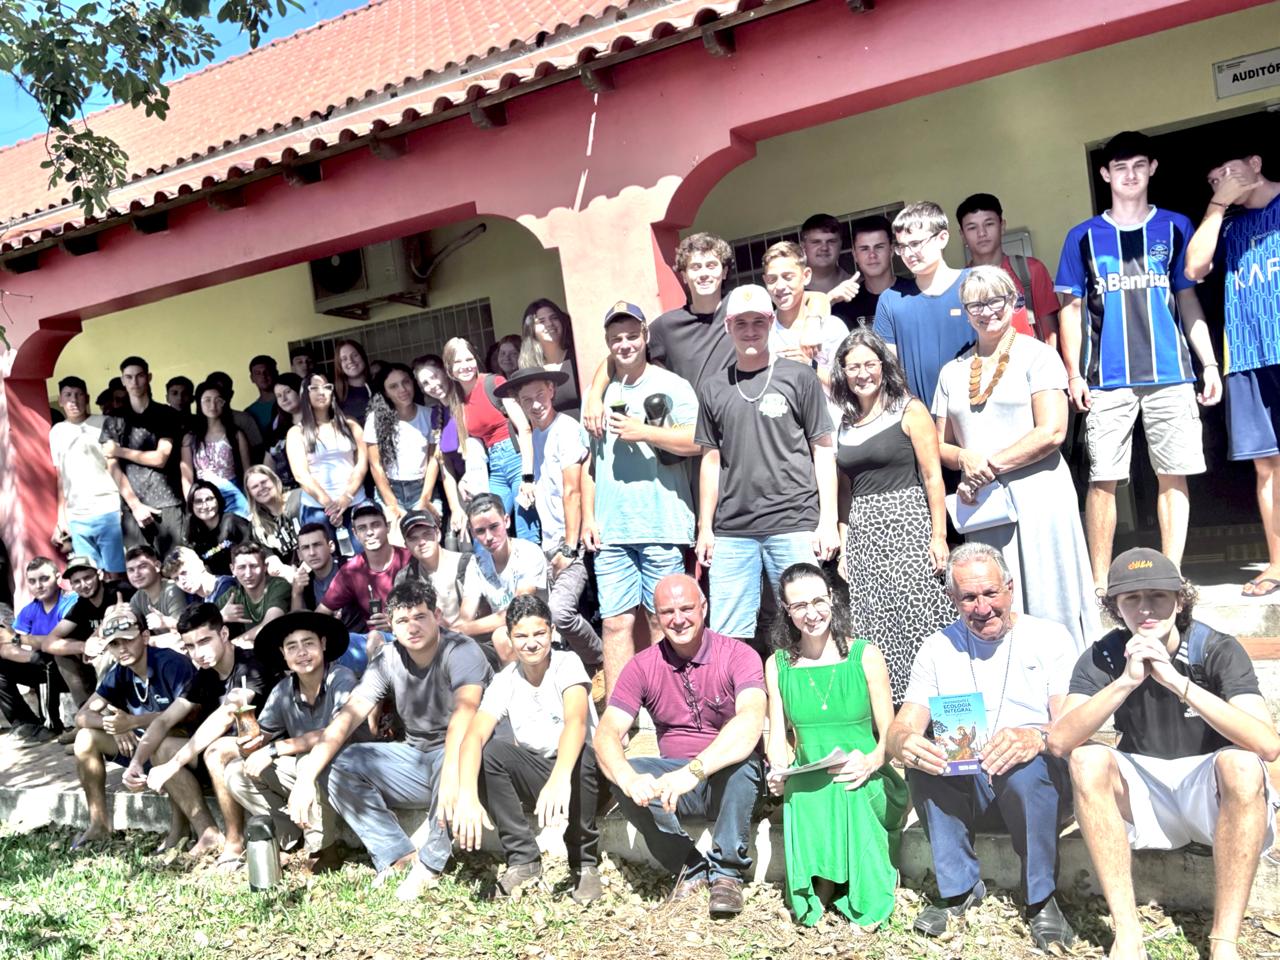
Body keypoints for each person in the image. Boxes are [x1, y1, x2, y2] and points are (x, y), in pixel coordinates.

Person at [1049, 549, 1280, 960]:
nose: (1145, 609)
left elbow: (1267, 744)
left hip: (1211, 793)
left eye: (1157, 595)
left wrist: (1179, 683)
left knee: (1243, 764)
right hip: (1146, 793)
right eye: (1132, 599)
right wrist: (1124, 682)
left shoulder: (1216, 649)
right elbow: (1060, 741)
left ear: (1180, 600)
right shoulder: (1106, 654)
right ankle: (1128, 934)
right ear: (1116, 607)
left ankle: (1224, 941)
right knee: (1086, 760)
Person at [886, 543, 1076, 951]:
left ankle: (1041, 899)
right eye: (969, 598)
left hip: (1037, 786)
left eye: (991, 593)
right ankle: (958, 889)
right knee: (927, 762)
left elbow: (1071, 724)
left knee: (1025, 767)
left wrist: (1036, 738)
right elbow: (901, 726)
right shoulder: (937, 648)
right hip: (973, 784)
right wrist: (906, 744)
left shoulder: (1049, 637)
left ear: (1010, 588)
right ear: (952, 599)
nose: (982, 607)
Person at [1056, 130, 1222, 586]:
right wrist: (1074, 374)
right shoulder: (1083, 237)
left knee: (1174, 474)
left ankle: (1171, 578)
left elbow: (1187, 298)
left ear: (1152, 168)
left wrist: (1208, 364)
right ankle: (1098, 584)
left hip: (1172, 374)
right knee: (1103, 479)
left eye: (1138, 166)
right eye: (1120, 167)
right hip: (1106, 379)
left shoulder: (1175, 226)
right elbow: (1070, 309)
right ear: (1105, 174)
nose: (1130, 175)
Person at [287, 579, 492, 900]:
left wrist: (452, 775)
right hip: (417, 758)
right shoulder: (388, 658)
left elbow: (464, 715)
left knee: (449, 758)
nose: (412, 627)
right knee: (339, 764)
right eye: (402, 620)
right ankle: (397, 856)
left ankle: (431, 865)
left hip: (466, 756)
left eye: (420, 617)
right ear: (391, 626)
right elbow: (347, 718)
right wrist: (305, 778)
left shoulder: (461, 650)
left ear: (437, 616)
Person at [933, 265, 1100, 652]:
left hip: (1039, 497)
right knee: (993, 597)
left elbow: (1052, 431)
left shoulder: (1038, 356)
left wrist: (988, 466)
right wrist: (965, 459)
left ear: (1014, 301)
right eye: (976, 304)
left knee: (1050, 594)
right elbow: (940, 445)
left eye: (996, 300)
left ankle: (1068, 675)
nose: (987, 311)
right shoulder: (952, 372)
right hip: (985, 507)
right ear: (965, 311)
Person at [594, 574, 765, 916]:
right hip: (675, 789)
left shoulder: (739, 655)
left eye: (686, 608)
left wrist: (693, 771)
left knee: (745, 764)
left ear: (704, 607)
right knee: (623, 771)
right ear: (656, 617)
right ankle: (689, 866)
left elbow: (750, 723)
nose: (678, 619)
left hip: (727, 783)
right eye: (667, 612)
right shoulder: (642, 666)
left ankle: (727, 875)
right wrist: (628, 779)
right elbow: (606, 732)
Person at [694, 284, 838, 647]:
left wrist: (828, 521)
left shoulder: (799, 376)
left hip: (794, 523)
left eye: (758, 321)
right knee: (728, 637)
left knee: (808, 625)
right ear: (728, 326)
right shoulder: (713, 388)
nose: (750, 331)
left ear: (771, 322)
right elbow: (710, 460)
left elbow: (823, 449)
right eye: (741, 323)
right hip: (732, 531)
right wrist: (705, 527)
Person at [764, 563, 906, 927]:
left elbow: (890, 736)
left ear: (832, 599)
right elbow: (777, 737)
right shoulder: (778, 664)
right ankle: (821, 883)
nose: (811, 614)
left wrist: (870, 762)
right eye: (799, 606)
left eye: (818, 601)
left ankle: (865, 889)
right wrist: (778, 771)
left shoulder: (865, 655)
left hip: (866, 770)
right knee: (799, 790)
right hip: (810, 773)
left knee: (849, 785)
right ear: (787, 610)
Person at [582, 302, 700, 697]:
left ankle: (668, 707)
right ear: (607, 344)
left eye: (632, 336)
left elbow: (698, 441)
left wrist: (645, 432)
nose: (625, 344)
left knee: (660, 620)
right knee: (615, 623)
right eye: (616, 338)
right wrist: (588, 518)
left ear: (646, 336)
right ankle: (622, 714)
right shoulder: (598, 395)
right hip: (612, 528)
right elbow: (589, 464)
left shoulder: (672, 385)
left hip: (662, 522)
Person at [831, 327, 954, 704]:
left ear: (884, 365)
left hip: (908, 524)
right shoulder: (845, 422)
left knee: (922, 617)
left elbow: (933, 476)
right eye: (853, 367)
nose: (863, 374)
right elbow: (845, 491)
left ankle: (945, 718)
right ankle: (894, 719)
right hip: (864, 535)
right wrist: (845, 548)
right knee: (876, 625)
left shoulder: (910, 409)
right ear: (843, 373)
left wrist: (939, 536)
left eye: (869, 364)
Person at [455, 595, 602, 903]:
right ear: (509, 639)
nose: (531, 643)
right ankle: (523, 860)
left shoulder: (567, 663)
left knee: (584, 756)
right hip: (541, 775)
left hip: (583, 775)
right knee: (489, 753)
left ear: (552, 632)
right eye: (521, 636)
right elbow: (473, 736)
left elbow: (576, 723)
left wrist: (560, 778)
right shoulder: (506, 679)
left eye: (539, 633)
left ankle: (585, 863)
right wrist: (466, 794)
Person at [1184, 140, 1280, 597]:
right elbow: (1194, 266)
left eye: (1227, 171)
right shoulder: (1226, 224)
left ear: (1255, 163)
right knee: (1268, 466)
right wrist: (1218, 204)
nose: (1219, 181)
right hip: (1247, 354)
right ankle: (1278, 563)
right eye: (1212, 179)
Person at [224, 610, 367, 873]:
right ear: (283, 654)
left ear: (323, 645)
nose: (301, 652)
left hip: (350, 771)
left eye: (308, 643)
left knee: (307, 760)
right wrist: (251, 743)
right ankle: (289, 836)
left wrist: (277, 748)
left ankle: (323, 848)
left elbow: (337, 732)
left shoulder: (341, 678)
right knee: (237, 772)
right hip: (309, 776)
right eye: (292, 647)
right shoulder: (283, 690)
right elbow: (264, 735)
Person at [136, 602, 277, 865]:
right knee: (162, 747)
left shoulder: (251, 664)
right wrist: (136, 762)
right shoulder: (205, 675)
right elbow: (165, 720)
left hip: (264, 748)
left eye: (204, 641)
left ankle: (235, 842)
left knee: (215, 751)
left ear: (224, 634)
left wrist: (174, 764)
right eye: (190, 646)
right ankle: (208, 833)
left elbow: (227, 713)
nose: (198, 653)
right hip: (227, 754)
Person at [69, 603, 203, 852]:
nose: (122, 649)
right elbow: (82, 716)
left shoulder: (170, 663)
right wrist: (115, 726)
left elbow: (189, 715)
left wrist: (133, 722)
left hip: (187, 749)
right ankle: (99, 824)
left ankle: (180, 827)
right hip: (144, 747)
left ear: (145, 637)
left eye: (128, 640)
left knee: (164, 738)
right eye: (114, 644)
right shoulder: (119, 671)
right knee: (85, 738)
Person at [498, 367, 602, 670]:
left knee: (559, 612)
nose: (535, 404)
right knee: (568, 615)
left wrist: (569, 548)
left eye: (540, 395)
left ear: (552, 391)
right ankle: (586, 673)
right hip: (551, 541)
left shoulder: (565, 428)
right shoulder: (536, 435)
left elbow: (573, 490)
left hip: (573, 543)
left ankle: (601, 661)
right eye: (526, 399)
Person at [582, 232, 734, 436]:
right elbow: (619, 355)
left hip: (742, 425)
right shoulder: (667, 326)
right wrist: (594, 397)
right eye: (695, 267)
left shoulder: (742, 312)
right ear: (684, 275)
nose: (704, 273)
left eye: (711, 265)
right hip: (698, 434)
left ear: (724, 272)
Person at [873, 203, 975, 407]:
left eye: (916, 243)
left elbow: (999, 348)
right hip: (919, 415)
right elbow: (888, 368)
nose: (908, 253)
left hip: (976, 408)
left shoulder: (975, 284)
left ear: (942, 238)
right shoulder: (891, 299)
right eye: (902, 246)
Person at [442, 337, 537, 543]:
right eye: (458, 362)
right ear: (449, 369)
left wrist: (528, 476)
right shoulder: (457, 401)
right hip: (494, 464)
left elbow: (524, 428)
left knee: (526, 528)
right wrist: (466, 479)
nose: (465, 366)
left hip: (516, 457)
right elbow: (472, 446)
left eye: (469, 359)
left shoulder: (494, 382)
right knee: (486, 526)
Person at [101, 356, 186, 558]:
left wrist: (119, 451)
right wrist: (135, 505)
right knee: (140, 567)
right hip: (133, 507)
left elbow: (160, 458)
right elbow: (112, 466)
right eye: (129, 377)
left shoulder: (166, 414)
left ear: (148, 377)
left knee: (176, 564)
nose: (134, 382)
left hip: (167, 501)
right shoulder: (113, 420)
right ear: (123, 380)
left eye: (139, 376)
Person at [957, 193, 1061, 348]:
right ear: (962, 235)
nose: (982, 233)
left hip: (1029, 360)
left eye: (989, 224)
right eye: (972, 227)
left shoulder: (1031, 270)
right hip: (981, 362)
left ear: (1002, 226)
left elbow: (1050, 333)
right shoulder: (959, 283)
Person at [28, 554, 132, 708]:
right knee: (61, 655)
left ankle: (105, 708)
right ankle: (85, 708)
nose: (83, 585)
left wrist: (102, 630)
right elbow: (48, 643)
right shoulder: (80, 606)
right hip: (96, 659)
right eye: (76, 581)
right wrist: (84, 646)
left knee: (107, 653)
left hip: (126, 652)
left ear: (99, 575)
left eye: (87, 578)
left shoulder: (119, 590)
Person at [455, 494, 547, 663]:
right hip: (500, 636)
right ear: (472, 532)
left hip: (535, 629)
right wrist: (457, 630)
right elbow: (465, 616)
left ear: (507, 521)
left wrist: (461, 629)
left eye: (494, 527)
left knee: (500, 636)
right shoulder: (476, 563)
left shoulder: (528, 552)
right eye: (480, 531)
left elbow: (518, 612)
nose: (489, 537)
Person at [50, 375, 125, 577]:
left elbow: (115, 465)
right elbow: (60, 476)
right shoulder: (56, 432)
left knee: (116, 572)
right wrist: (61, 517)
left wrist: (123, 503)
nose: (73, 400)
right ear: (60, 400)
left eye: (78, 394)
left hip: (107, 508)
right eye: (68, 395)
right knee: (89, 575)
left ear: (87, 398)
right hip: (77, 515)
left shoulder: (103, 422)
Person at [286, 371, 369, 544]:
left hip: (355, 502)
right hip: (317, 508)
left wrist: (347, 497)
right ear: (305, 393)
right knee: (323, 557)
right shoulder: (296, 432)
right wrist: (329, 505)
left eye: (327, 387)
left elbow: (361, 464)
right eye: (314, 388)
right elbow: (301, 475)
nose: (322, 392)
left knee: (362, 555)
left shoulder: (350, 424)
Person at [0, 557, 76, 743]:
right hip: (45, 667)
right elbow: (6, 647)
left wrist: (19, 639)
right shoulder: (29, 610)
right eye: (32, 581)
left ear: (58, 577)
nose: (38, 586)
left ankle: (51, 725)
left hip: (72, 668)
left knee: (48, 658)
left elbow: (56, 642)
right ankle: (25, 723)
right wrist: (32, 657)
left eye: (44, 579)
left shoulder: (72, 601)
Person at [762, 240, 850, 391]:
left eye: (788, 277)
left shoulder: (831, 327)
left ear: (806, 276)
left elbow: (851, 386)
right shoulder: (763, 333)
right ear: (765, 281)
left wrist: (811, 366)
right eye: (772, 279)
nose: (780, 286)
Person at [316, 502, 409, 644]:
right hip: (376, 643)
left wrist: (395, 623)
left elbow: (432, 606)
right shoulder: (351, 570)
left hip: (412, 632)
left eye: (375, 525)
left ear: (387, 527)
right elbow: (321, 612)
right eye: (362, 528)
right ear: (355, 534)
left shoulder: (409, 559)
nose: (370, 532)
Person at [364, 362, 434, 524]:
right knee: (394, 537)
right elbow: (375, 465)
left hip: (423, 488)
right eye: (393, 386)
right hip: (389, 490)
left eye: (406, 382)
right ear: (385, 392)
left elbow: (434, 460)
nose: (402, 389)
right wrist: (392, 504)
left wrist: (425, 498)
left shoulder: (429, 415)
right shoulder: (374, 419)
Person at [415, 354, 470, 539]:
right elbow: (445, 466)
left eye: (434, 376)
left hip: (480, 482)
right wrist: (455, 508)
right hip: (459, 491)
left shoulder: (466, 403)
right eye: (425, 383)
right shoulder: (436, 414)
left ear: (446, 373)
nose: (432, 385)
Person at [179, 380, 252, 517]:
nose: (213, 405)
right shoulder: (190, 438)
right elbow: (187, 477)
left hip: (234, 497)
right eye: (207, 400)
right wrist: (192, 504)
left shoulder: (236, 435)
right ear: (199, 402)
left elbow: (248, 471)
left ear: (225, 403)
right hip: (204, 499)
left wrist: (252, 501)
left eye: (218, 400)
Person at [840, 215, 917, 330]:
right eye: (864, 249)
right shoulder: (846, 305)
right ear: (855, 255)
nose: (872, 255)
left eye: (879, 247)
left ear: (891, 250)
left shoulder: (915, 293)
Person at [394, 509, 466, 628]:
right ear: (406, 545)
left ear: (438, 534)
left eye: (427, 534)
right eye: (413, 538)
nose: (421, 542)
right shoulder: (404, 577)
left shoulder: (465, 564)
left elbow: (471, 617)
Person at [218, 542, 291, 645]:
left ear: (265, 567)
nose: (248, 574)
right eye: (242, 567)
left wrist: (231, 645)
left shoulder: (279, 585)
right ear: (232, 569)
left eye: (254, 566)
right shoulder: (234, 594)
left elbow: (269, 625)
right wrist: (221, 616)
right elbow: (201, 623)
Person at [518, 299, 581, 417]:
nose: (549, 324)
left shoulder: (578, 357)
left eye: (554, 318)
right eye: (541, 321)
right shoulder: (531, 368)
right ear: (531, 330)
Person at [182, 480, 253, 577]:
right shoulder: (193, 533)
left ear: (218, 500)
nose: (205, 506)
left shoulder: (232, 521)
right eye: (198, 501)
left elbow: (253, 551)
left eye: (209, 499)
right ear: (191, 506)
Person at [799, 214, 862, 325]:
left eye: (831, 241)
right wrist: (830, 298)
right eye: (816, 242)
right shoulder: (792, 291)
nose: (824, 247)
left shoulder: (858, 287)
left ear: (840, 244)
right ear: (803, 247)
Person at [125, 545, 186, 640]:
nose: (136, 574)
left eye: (142, 567)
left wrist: (147, 641)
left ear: (157, 566)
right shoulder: (138, 598)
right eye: (131, 570)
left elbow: (183, 633)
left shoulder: (172, 590)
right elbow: (129, 627)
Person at [244, 464, 301, 562]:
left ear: (275, 480)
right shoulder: (257, 525)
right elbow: (269, 557)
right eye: (255, 487)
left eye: (264, 482)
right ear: (250, 494)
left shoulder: (299, 498)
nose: (261, 488)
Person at [203, 370, 265, 458]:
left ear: (231, 394)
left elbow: (258, 450)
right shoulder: (199, 423)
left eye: (223, 392)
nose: (218, 397)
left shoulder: (244, 419)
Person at [163, 545, 237, 606]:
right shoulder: (193, 600)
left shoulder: (227, 585)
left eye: (184, 573)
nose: (182, 581)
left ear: (199, 565)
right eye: (176, 579)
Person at [265, 372, 304, 489]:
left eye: (287, 392)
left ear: (301, 391)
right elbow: (269, 466)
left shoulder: (318, 423)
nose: (284, 399)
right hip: (287, 493)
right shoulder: (274, 429)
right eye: (278, 396)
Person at [334, 338, 373, 423]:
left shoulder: (380, 386)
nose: (350, 361)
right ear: (339, 365)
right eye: (344, 359)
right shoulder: (336, 396)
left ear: (363, 356)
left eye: (355, 355)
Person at [246, 355, 278, 433]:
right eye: (258, 373)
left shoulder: (289, 402)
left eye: (267, 372)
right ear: (252, 378)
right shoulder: (249, 412)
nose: (263, 376)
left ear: (275, 373)